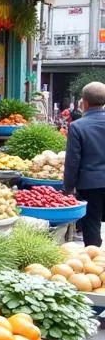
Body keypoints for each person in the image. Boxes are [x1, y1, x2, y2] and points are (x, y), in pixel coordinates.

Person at [63, 81, 105, 246]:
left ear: (84, 102)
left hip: (90, 185)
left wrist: (67, 188)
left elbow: (73, 161)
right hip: (92, 183)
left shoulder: (77, 126)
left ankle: (94, 263)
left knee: (91, 224)